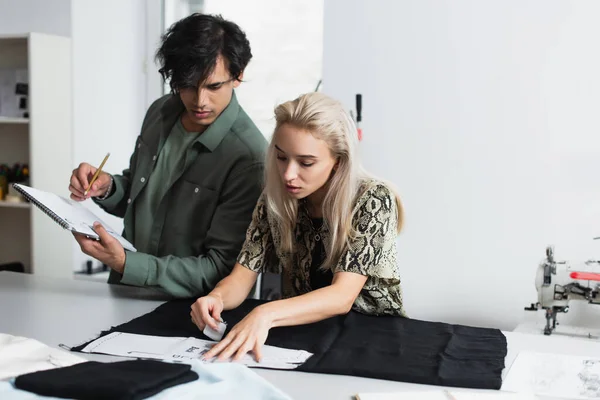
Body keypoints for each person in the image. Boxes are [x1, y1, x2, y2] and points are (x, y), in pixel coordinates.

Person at [190, 92, 406, 362]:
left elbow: (342, 296)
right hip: (302, 333)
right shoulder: (274, 198)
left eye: (306, 163)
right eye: (281, 157)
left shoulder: (373, 199)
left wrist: (264, 313)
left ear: (338, 161)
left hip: (373, 338)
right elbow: (242, 277)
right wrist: (216, 298)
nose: (288, 174)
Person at [68, 14, 267, 298]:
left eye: (213, 86)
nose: (199, 101)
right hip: (124, 291)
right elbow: (141, 195)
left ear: (238, 74)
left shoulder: (249, 157)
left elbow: (222, 270)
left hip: (188, 313)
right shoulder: (161, 112)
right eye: (187, 85)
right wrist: (107, 187)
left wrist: (127, 263)